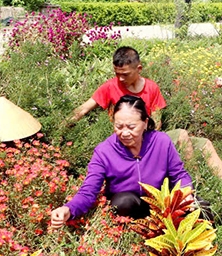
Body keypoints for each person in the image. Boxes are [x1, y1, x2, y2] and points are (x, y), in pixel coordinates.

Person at [69, 46, 222, 179]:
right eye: (117, 73)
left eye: (125, 74)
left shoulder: (151, 87)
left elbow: (157, 122)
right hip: (125, 139)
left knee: (205, 143)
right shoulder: (110, 86)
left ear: (139, 69)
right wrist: (62, 126)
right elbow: (83, 109)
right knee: (181, 135)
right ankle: (192, 182)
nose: (121, 78)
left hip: (149, 137)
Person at [50, 96, 202, 227]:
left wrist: (186, 193)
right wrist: (69, 209)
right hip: (130, 207)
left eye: (131, 127)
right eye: (119, 126)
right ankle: (135, 232)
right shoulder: (104, 151)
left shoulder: (161, 142)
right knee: (123, 202)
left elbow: (179, 174)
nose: (124, 133)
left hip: (162, 205)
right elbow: (89, 190)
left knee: (202, 209)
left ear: (145, 122)